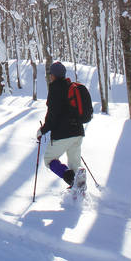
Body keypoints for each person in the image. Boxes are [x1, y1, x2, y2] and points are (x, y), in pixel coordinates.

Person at [36, 61, 86, 190]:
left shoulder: (55, 89)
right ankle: (79, 188)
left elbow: (53, 115)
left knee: (49, 159)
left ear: (53, 75)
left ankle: (73, 180)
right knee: (75, 163)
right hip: (78, 132)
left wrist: (43, 130)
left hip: (63, 133)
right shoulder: (71, 87)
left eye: (50, 74)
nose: (49, 76)